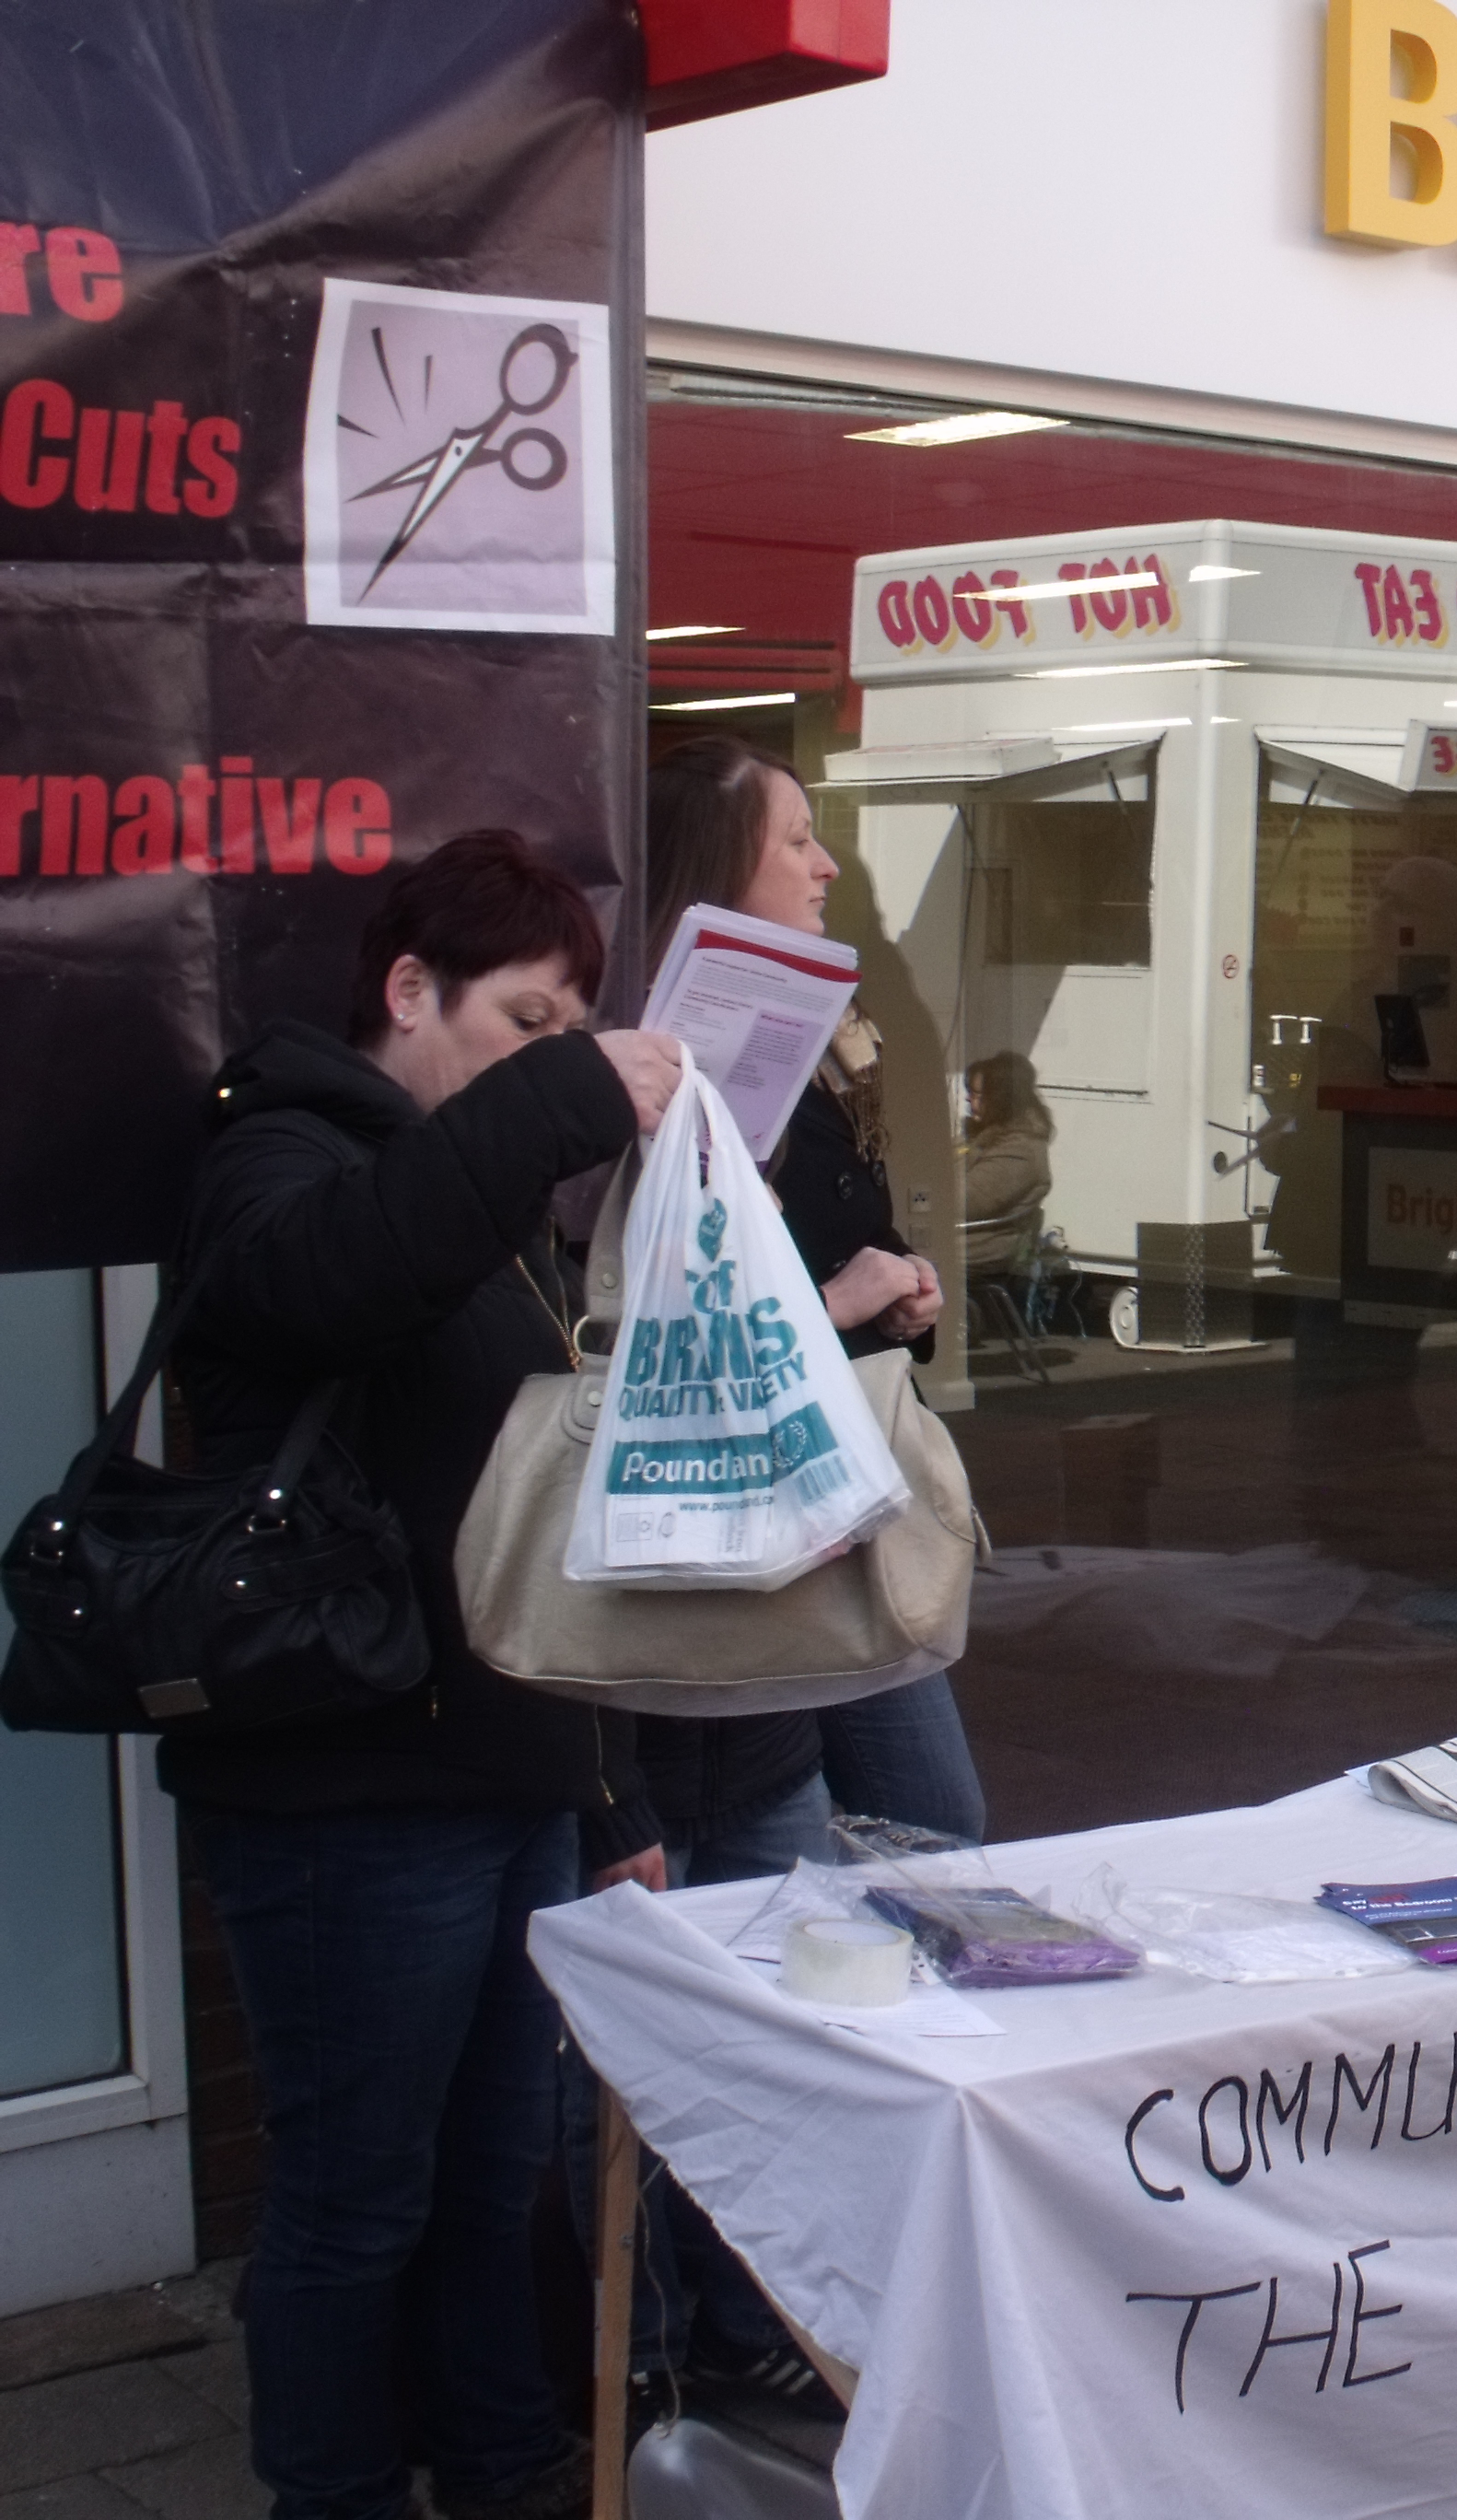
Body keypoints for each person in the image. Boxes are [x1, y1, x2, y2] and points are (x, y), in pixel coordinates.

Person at [167, 832, 684, 2520]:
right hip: (351, 1792)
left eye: (569, 1032)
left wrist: (605, 1794)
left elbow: (543, 1530)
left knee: (489, 2176)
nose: (551, 1061)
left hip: (503, 1774)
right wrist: (567, 1097)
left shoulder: (487, 1206)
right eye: (525, 1022)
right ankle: (333, 2495)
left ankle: (503, 2466)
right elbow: (333, 1280)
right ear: (409, 991)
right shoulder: (278, 1151)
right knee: (354, 2199)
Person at [641, 734, 980, 1845]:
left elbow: (843, 1229)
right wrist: (835, 1306)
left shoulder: (814, 1040)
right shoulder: (647, 1068)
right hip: (735, 1503)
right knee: (904, 1824)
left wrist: (897, 1290)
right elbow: (654, 1319)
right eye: (796, 841)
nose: (827, 866)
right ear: (714, 865)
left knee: (928, 1818)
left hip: (839, 1477)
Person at [960, 1048, 1055, 1280]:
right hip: (958, 1240)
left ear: (999, 1100)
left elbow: (962, 1202)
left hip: (974, 1249)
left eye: (977, 1094)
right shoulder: (985, 1135)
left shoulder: (1020, 1151)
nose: (968, 1099)